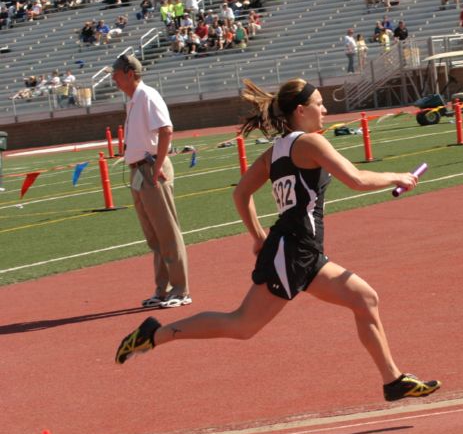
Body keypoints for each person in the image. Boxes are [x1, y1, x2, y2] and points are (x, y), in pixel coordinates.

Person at [114, 78, 442, 403]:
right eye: (319, 104)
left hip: (302, 250)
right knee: (242, 325)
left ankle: (393, 381)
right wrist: (398, 177)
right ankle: (154, 334)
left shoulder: (276, 152)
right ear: (301, 110)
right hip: (293, 249)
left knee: (364, 299)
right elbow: (355, 179)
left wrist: (259, 236)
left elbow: (241, 193)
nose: (325, 109)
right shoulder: (311, 143)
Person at [109, 54, 191, 309]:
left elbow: (166, 130)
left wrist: (156, 167)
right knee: (154, 236)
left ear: (130, 73)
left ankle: (180, 290)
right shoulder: (134, 100)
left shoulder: (147, 96)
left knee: (167, 232)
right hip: (138, 171)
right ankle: (163, 289)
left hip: (150, 169)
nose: (113, 78)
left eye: (116, 73)